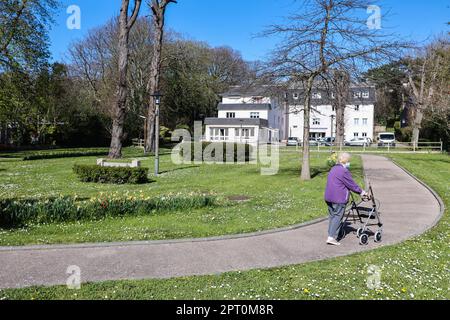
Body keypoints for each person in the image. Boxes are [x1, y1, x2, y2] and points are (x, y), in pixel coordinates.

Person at [324, 153, 367, 246]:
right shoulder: (344, 171)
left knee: (332, 216)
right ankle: (331, 237)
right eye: (349, 161)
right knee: (337, 217)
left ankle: (331, 234)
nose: (349, 163)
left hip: (329, 197)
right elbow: (351, 184)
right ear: (345, 161)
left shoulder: (333, 168)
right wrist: (362, 192)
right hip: (338, 198)